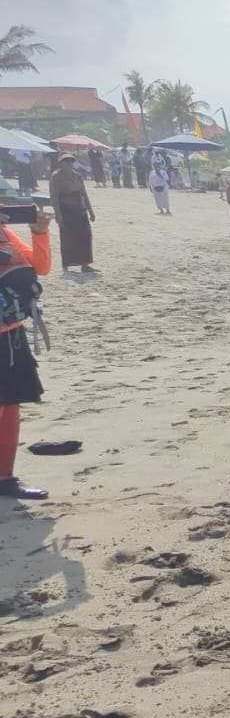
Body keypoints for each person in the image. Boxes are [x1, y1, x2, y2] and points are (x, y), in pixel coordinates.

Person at [1, 207, 54, 500]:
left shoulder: (5, 233)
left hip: (11, 334)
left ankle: (4, 478)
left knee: (10, 407)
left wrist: (39, 233)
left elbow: (40, 266)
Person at [47, 156, 96, 274]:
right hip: (65, 210)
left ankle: (85, 264)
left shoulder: (77, 176)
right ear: (61, 163)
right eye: (66, 162)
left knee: (85, 236)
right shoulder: (56, 177)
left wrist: (91, 211)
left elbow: (84, 193)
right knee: (67, 237)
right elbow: (54, 197)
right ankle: (67, 264)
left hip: (80, 209)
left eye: (71, 162)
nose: (69, 164)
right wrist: (58, 215)